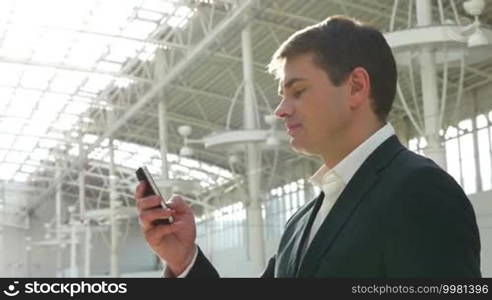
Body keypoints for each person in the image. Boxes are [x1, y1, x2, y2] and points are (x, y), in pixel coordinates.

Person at [135, 15, 481, 278]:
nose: (280, 110)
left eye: (298, 91)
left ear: (356, 87)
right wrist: (184, 259)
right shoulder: (302, 221)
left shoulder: (419, 191)